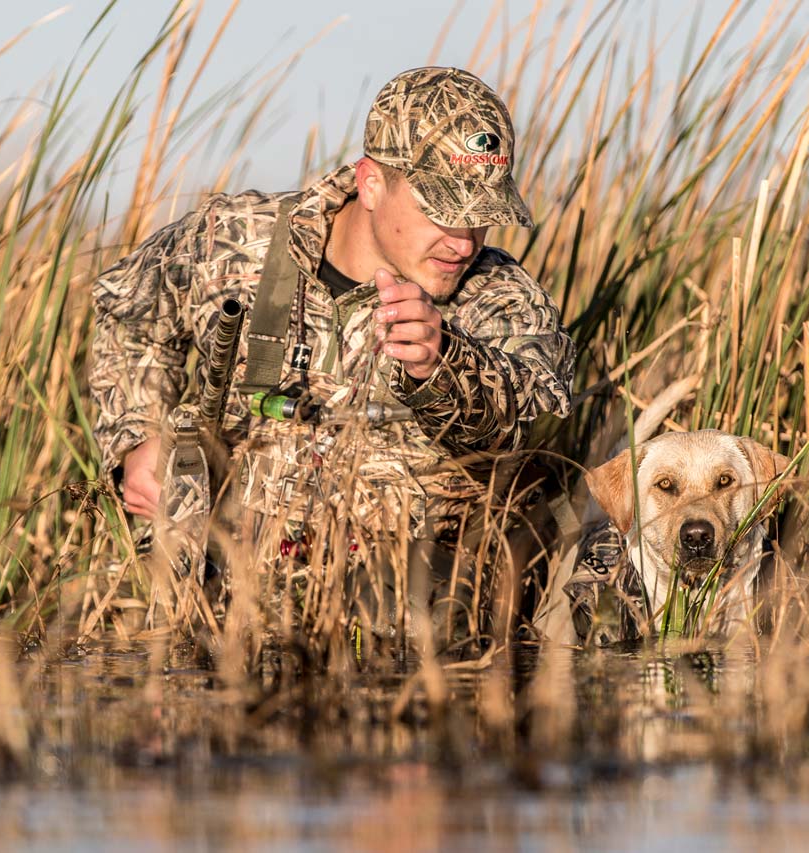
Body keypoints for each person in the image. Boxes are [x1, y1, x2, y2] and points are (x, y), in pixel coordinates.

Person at [86, 67, 573, 637]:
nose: (464, 242)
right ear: (370, 184)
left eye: (481, 216)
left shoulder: (500, 294)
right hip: (214, 604)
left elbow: (528, 413)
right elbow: (128, 314)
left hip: (401, 635)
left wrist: (444, 366)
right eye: (442, 211)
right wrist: (137, 437)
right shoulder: (233, 239)